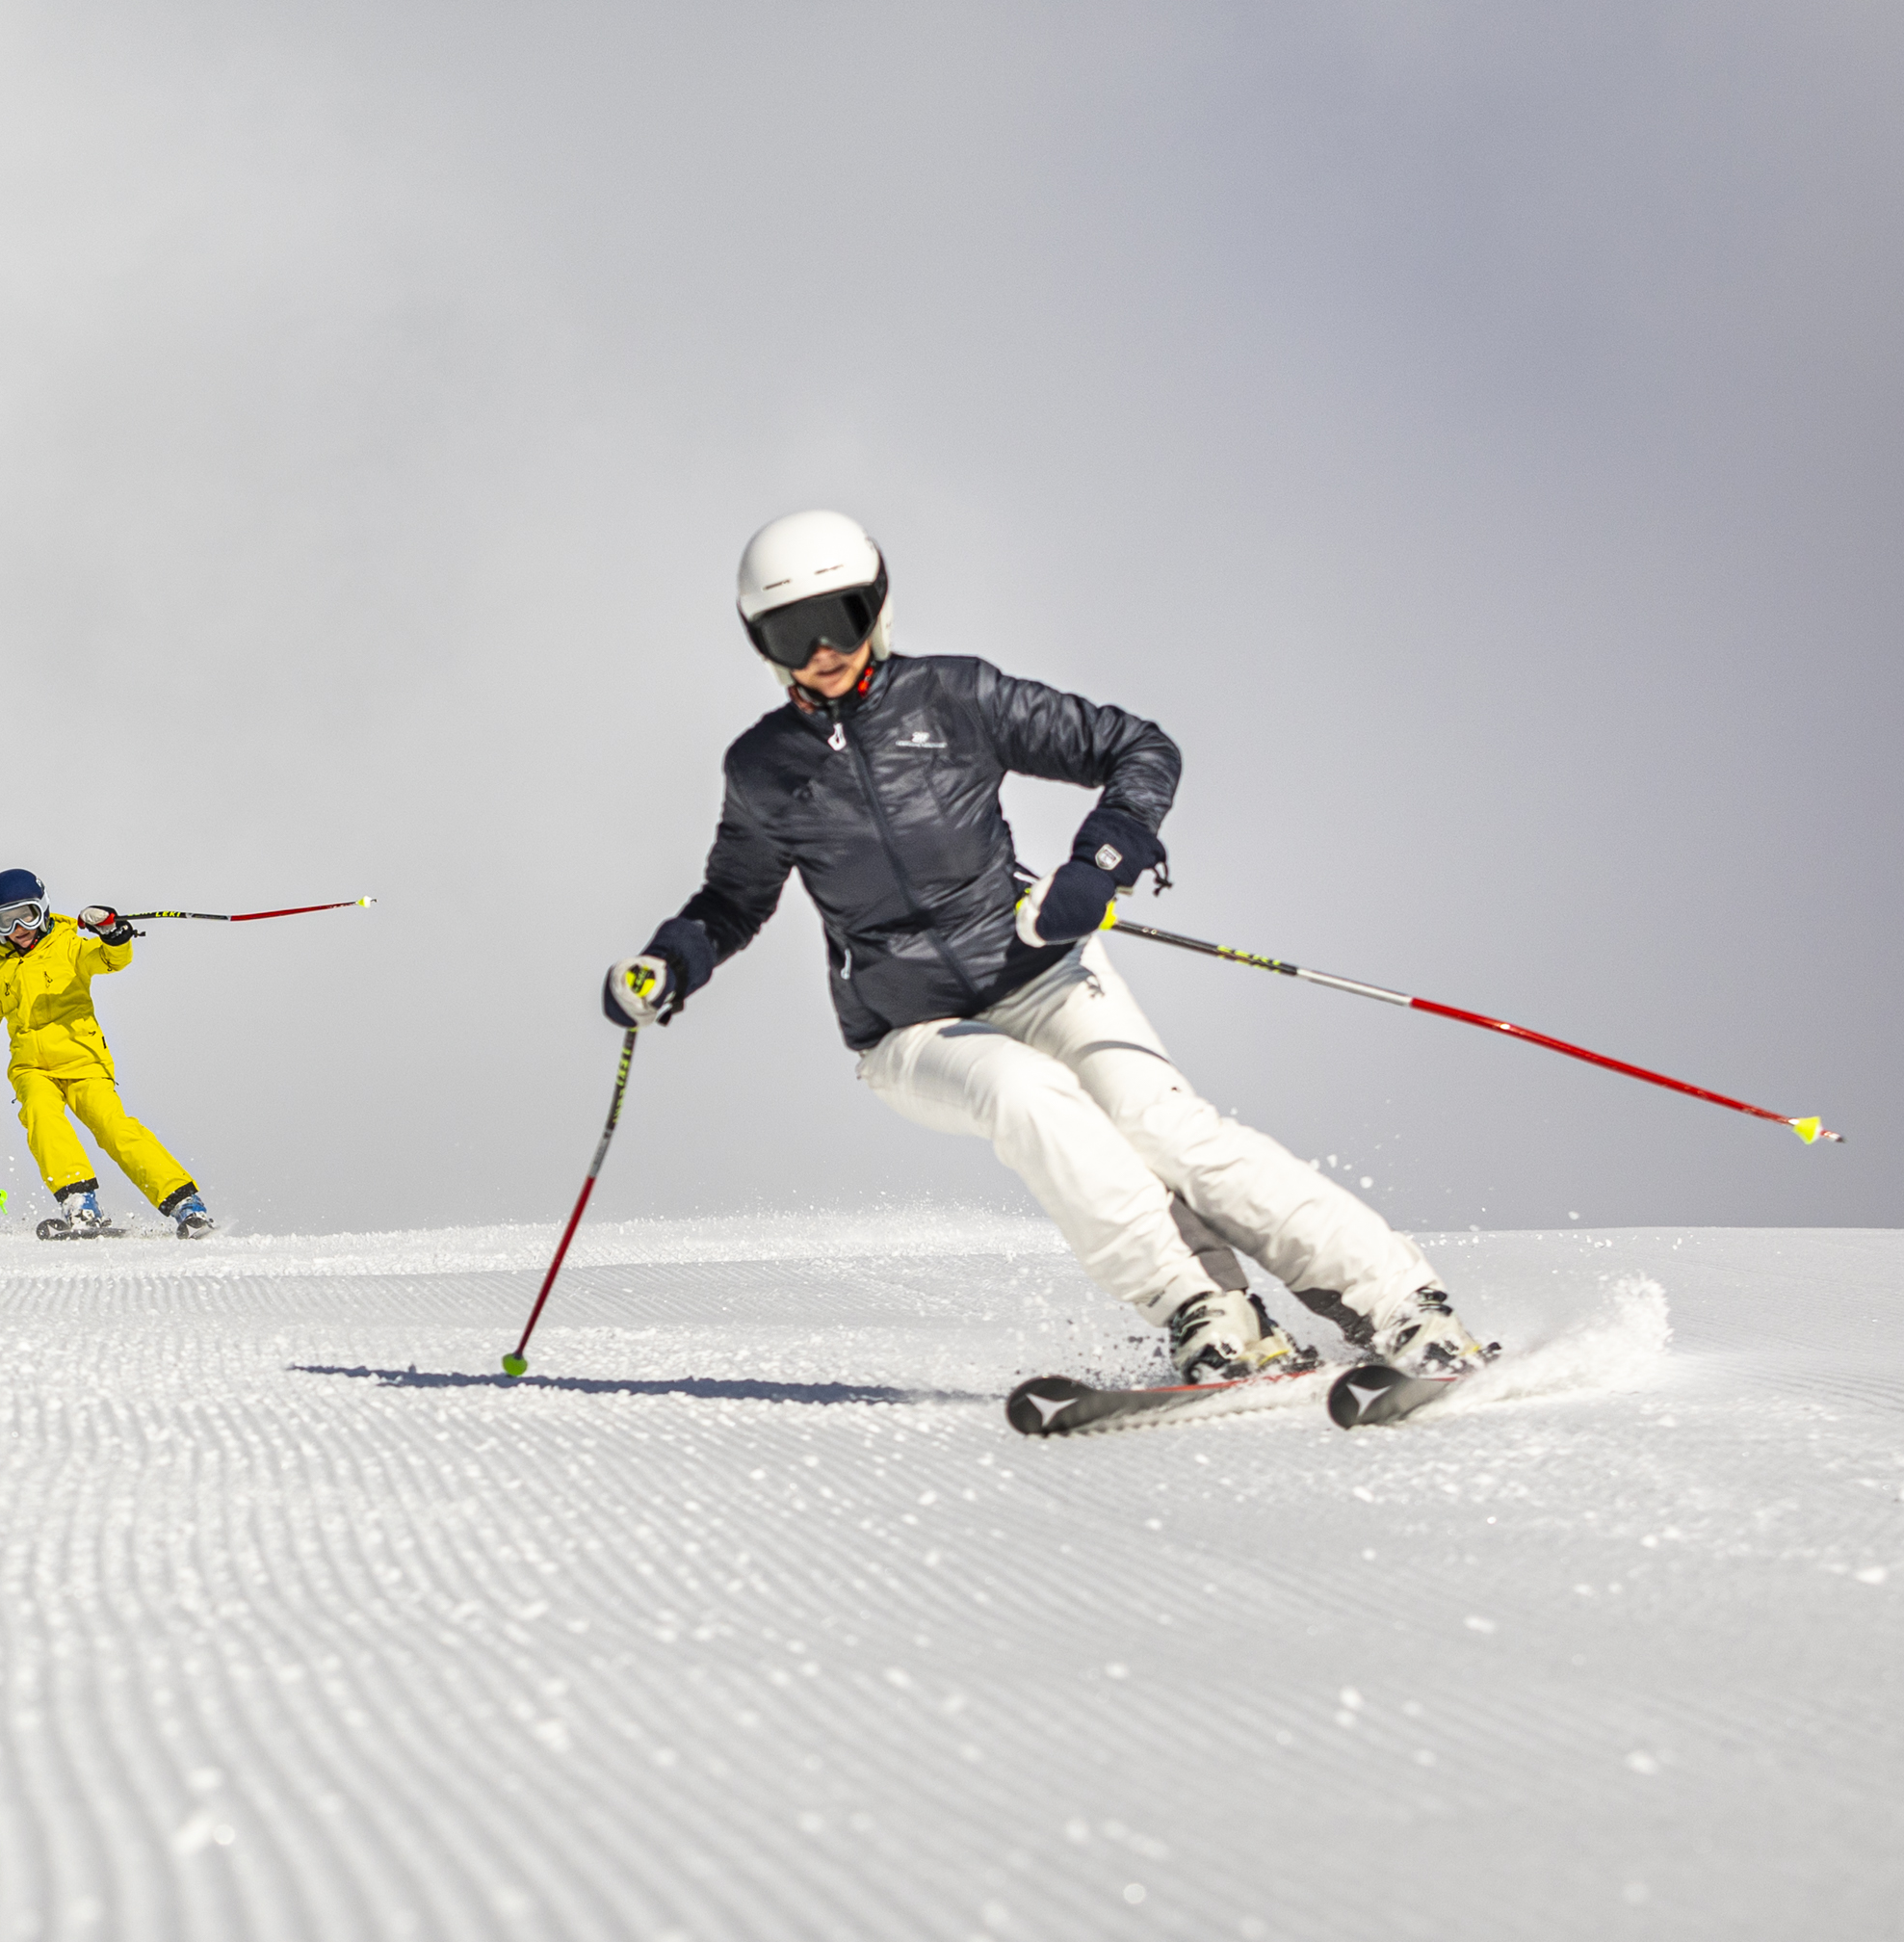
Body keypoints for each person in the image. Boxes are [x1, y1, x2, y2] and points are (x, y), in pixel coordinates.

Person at [605, 511, 1488, 1382]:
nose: (821, 652)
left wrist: (1099, 863)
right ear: (759, 641)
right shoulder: (761, 768)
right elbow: (733, 898)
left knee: (1164, 1127)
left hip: (1041, 969)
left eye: (838, 619)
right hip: (909, 1030)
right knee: (1025, 1094)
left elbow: (1138, 748)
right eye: (790, 633)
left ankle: (1399, 1302)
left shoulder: (955, 697)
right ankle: (1206, 1311)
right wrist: (669, 962)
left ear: (877, 607)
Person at [0, 869, 218, 1239]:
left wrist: (113, 935)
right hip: (32, 1068)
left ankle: (186, 1205)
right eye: (5, 921)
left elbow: (110, 960)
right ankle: (80, 1204)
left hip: (83, 1062)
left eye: (27, 915)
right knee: (42, 1118)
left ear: (43, 909)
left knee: (114, 1128)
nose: (19, 928)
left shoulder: (69, 944)